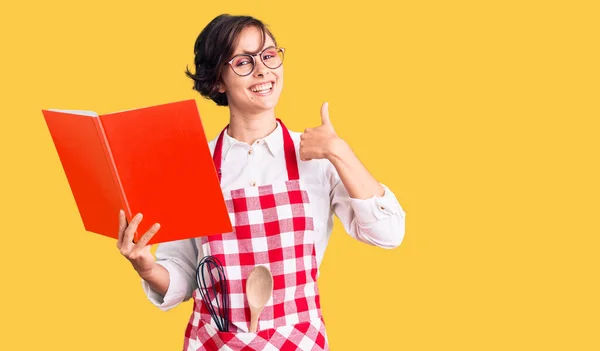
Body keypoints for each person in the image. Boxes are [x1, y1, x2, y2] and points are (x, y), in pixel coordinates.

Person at [116, 13, 406, 351]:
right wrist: (146, 267)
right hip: (216, 342)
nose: (262, 70)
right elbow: (184, 276)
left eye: (268, 55)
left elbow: (388, 234)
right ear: (217, 81)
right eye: (243, 61)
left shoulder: (317, 158)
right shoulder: (193, 165)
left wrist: (339, 152)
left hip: (299, 343)